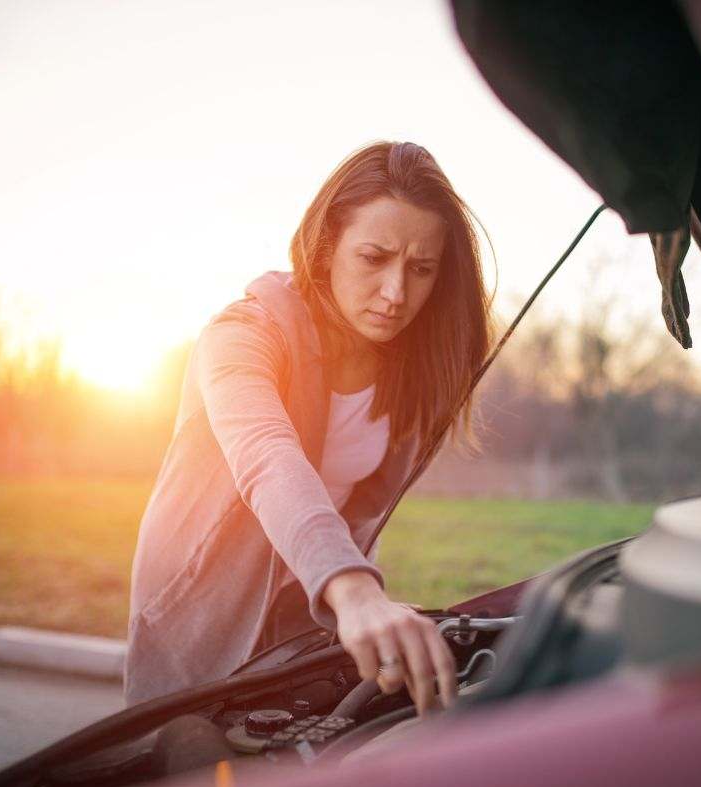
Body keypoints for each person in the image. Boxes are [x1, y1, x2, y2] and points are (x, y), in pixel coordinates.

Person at [123, 141, 493, 714]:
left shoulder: (413, 365)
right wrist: (354, 587)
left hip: (309, 614)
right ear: (325, 248)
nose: (396, 294)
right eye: (373, 258)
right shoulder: (243, 334)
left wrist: (355, 601)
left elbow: (358, 505)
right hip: (201, 609)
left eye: (421, 269)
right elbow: (268, 457)